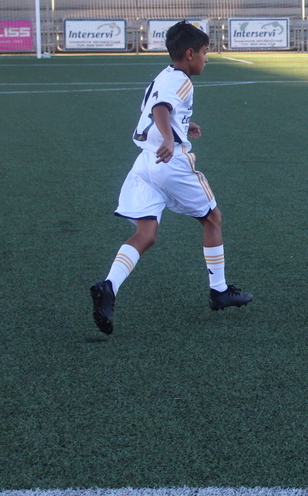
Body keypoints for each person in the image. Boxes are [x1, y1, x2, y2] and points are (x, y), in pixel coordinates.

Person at [89, 22, 253, 335]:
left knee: (146, 233)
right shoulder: (182, 81)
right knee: (213, 218)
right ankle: (218, 291)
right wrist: (169, 137)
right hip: (169, 161)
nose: (207, 58)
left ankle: (109, 286)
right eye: (205, 52)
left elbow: (161, 109)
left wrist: (181, 126)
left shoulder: (164, 74)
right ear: (190, 54)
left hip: (144, 163)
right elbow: (161, 109)